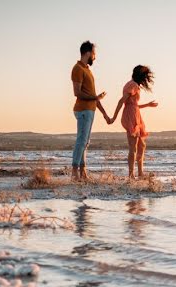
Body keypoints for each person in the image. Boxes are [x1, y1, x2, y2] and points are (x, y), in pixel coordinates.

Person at [108, 65, 158, 179]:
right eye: (145, 77)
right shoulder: (132, 85)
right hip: (131, 116)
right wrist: (114, 117)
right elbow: (122, 101)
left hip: (135, 114)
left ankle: (140, 173)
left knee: (141, 145)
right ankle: (131, 175)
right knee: (133, 146)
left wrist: (148, 105)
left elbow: (133, 104)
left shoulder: (133, 85)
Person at [71, 40, 111, 181]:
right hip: (82, 110)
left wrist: (105, 114)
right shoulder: (78, 69)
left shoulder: (87, 70)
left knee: (85, 142)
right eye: (94, 53)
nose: (95, 56)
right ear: (88, 53)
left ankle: (83, 172)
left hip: (90, 110)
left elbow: (93, 96)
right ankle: (75, 172)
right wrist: (95, 97)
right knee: (81, 141)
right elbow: (77, 92)